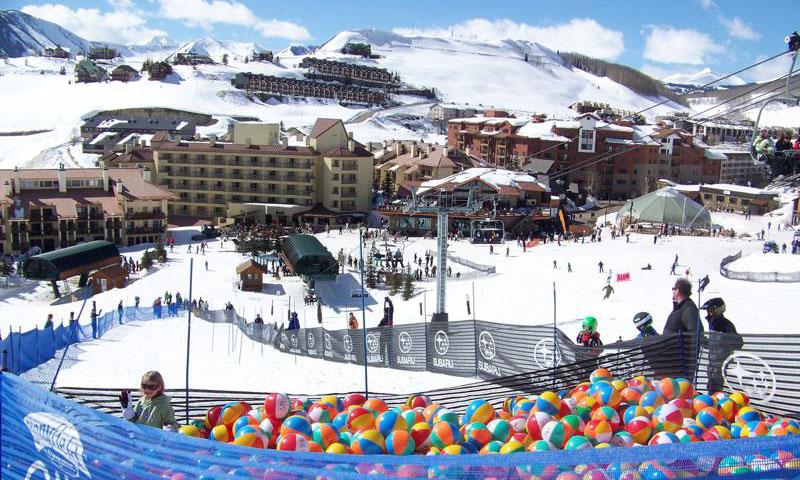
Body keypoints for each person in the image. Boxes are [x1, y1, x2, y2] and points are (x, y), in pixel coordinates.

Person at [700, 297, 743, 393]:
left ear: (717, 311)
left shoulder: (726, 324)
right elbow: (712, 344)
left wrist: (724, 339)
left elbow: (739, 343)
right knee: (711, 384)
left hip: (721, 360)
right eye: (708, 311)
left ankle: (717, 401)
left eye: (710, 311)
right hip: (713, 361)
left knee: (715, 385)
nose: (708, 314)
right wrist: (703, 341)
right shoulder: (713, 325)